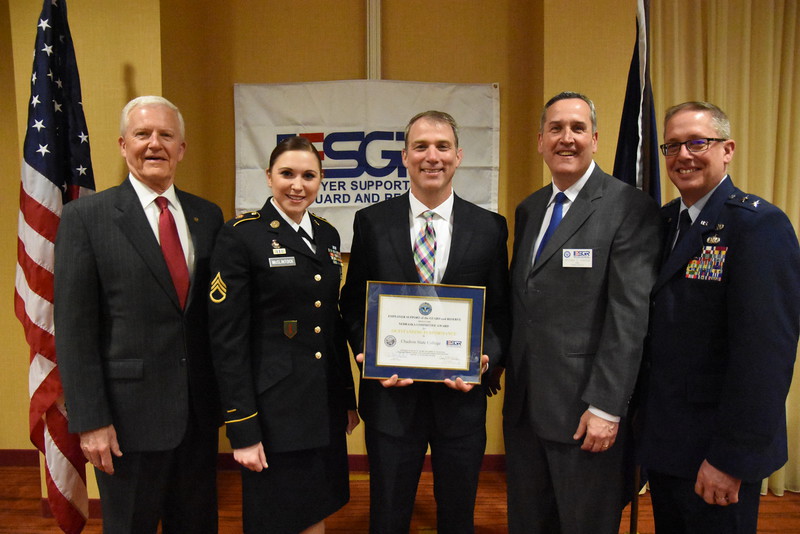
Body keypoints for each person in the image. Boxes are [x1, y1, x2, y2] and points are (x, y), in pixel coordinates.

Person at [54, 96, 223, 533]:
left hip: (199, 418)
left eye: (166, 135)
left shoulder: (208, 216)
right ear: (122, 144)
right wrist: (90, 421)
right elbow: (73, 329)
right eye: (143, 134)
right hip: (126, 423)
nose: (154, 144)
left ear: (181, 148)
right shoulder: (84, 218)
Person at [339, 110, 511, 533]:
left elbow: (502, 312)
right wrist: (369, 357)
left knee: (457, 518)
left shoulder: (489, 227)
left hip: (461, 403)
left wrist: (486, 357)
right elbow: (352, 305)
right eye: (420, 146)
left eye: (442, 146)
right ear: (404, 156)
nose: (431, 156)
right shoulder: (371, 222)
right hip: (392, 401)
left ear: (458, 156)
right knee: (389, 517)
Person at [502, 91, 662, 534]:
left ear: (595, 138)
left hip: (584, 415)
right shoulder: (531, 209)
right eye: (555, 128)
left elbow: (629, 316)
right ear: (540, 141)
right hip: (526, 413)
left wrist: (608, 408)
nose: (566, 138)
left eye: (576, 128)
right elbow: (526, 304)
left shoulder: (628, 208)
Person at [639, 101, 800, 533]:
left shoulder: (758, 226)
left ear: (727, 149)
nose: (683, 155)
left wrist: (730, 459)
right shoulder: (664, 222)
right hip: (668, 443)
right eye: (671, 146)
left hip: (716, 451)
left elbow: (765, 358)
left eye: (697, 142)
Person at [208, 136, 359, 534]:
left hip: (322, 404)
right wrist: (241, 425)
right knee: (275, 516)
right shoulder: (241, 235)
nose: (298, 185)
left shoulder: (327, 235)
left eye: (309, 175)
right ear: (268, 176)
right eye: (287, 174)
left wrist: (347, 398)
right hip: (273, 409)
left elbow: (328, 324)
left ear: (321, 179)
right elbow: (228, 339)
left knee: (315, 508)